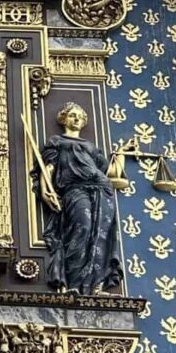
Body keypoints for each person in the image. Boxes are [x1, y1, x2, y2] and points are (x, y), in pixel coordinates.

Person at [36, 102, 123, 295]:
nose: (76, 119)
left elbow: (109, 172)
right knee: (81, 229)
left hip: (102, 189)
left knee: (101, 236)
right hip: (74, 189)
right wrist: (44, 190)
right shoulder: (57, 142)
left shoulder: (91, 146)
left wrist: (121, 154)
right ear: (63, 118)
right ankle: (74, 284)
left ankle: (96, 286)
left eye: (80, 117)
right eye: (72, 115)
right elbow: (48, 168)